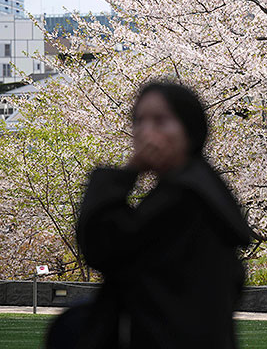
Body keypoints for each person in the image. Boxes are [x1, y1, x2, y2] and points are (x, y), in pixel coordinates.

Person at [46, 81, 252, 349]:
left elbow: (103, 246)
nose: (146, 132)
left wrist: (127, 172)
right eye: (139, 121)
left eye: (160, 121)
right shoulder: (201, 188)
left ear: (189, 129)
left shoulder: (183, 197)